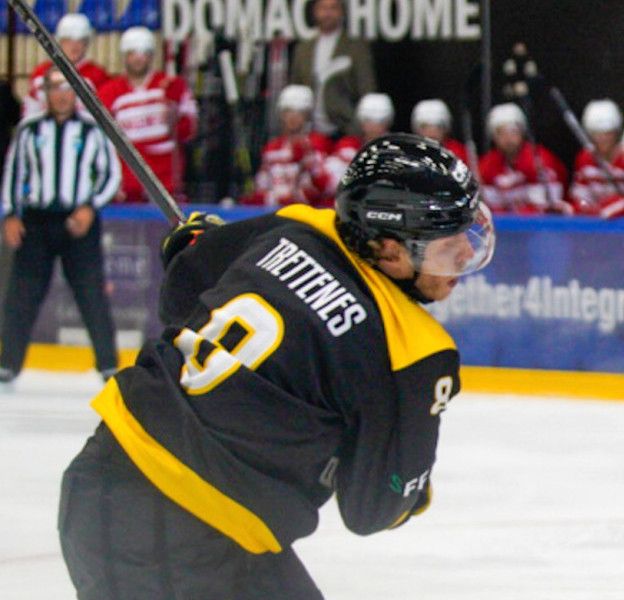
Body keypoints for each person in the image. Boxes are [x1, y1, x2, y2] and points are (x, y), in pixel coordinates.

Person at [58, 134, 494, 599]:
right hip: (182, 534)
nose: (466, 254)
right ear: (388, 249)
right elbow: (374, 509)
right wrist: (411, 488)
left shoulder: (298, 226)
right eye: (448, 244)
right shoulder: (412, 351)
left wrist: (195, 245)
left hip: (110, 481)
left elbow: (186, 283)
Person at [0, 70, 121, 391]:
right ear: (45, 93)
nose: (62, 95)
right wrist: (11, 214)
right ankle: (7, 365)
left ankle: (108, 365)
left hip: (79, 221)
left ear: (77, 93)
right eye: (55, 88)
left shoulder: (94, 129)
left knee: (91, 294)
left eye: (68, 88)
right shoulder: (29, 129)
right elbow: (14, 173)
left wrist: (89, 207)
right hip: (38, 222)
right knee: (21, 295)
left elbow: (111, 174)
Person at [99, 26, 197, 204]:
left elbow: (189, 131)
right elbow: (102, 140)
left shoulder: (171, 85)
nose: (137, 59)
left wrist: (176, 119)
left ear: (151, 55)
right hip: (127, 187)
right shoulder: (109, 91)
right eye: (131, 53)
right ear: (124, 56)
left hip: (167, 184)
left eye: (143, 53)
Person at [290, 0, 377, 137]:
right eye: (323, 8)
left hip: (344, 129)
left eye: (333, 8)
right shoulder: (303, 49)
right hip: (310, 131)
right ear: (315, 11)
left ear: (342, 12)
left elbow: (367, 90)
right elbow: (295, 90)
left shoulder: (356, 47)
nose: (327, 13)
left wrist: (359, 127)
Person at [249, 85, 333, 207]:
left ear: (307, 115)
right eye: (288, 111)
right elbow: (262, 185)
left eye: (299, 112)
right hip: (272, 210)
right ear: (281, 114)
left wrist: (309, 161)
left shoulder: (317, 144)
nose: (292, 117)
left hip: (304, 212)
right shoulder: (272, 147)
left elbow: (326, 188)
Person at [477, 103, 567, 215]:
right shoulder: (487, 164)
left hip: (537, 227)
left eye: (513, 131)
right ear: (493, 137)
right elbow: (487, 208)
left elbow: (548, 206)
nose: (508, 139)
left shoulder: (539, 160)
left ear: (522, 131)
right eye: (501, 133)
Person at [24, 14, 111, 121]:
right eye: (68, 40)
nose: (74, 46)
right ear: (60, 41)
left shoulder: (98, 75)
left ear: (87, 43)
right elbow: (30, 111)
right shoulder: (41, 72)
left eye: (80, 41)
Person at [569, 100, 624, 218]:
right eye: (597, 134)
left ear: (617, 132)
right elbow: (580, 197)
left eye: (608, 133)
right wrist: (585, 208)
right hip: (597, 225)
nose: (603, 139)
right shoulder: (584, 158)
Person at [324, 94, 395, 195]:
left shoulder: (396, 150)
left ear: (387, 123)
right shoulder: (347, 148)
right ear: (361, 121)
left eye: (379, 122)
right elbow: (330, 184)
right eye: (368, 121)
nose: (373, 127)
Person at [409, 99, 472, 165]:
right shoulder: (411, 155)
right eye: (425, 127)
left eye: (438, 126)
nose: (432, 133)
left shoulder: (459, 154)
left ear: (446, 129)